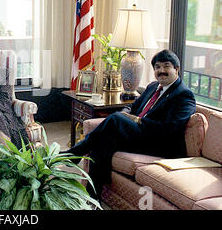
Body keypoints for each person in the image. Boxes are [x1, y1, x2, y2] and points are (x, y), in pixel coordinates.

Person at [61, 49, 196, 199]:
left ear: (176, 69)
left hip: (159, 144)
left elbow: (171, 129)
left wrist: (137, 120)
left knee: (116, 119)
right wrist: (127, 114)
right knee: (103, 142)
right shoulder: (153, 86)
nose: (161, 71)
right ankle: (93, 198)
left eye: (166, 66)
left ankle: (75, 153)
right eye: (157, 67)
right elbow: (133, 105)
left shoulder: (184, 94)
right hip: (139, 134)